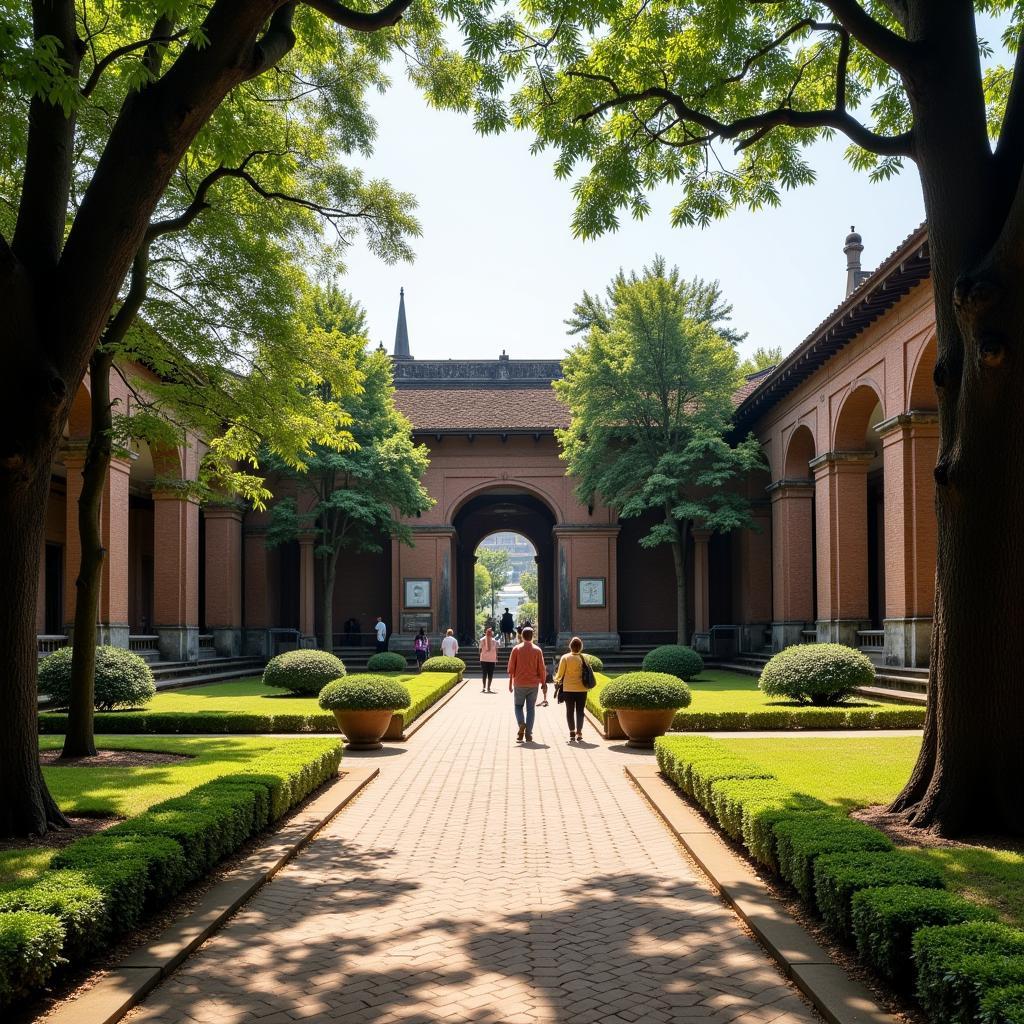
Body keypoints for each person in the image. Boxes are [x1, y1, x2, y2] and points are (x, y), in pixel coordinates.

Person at [507, 626, 547, 743]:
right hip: (533, 684)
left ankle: (521, 724)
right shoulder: (537, 650)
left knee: (518, 706)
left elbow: (511, 668)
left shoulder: (516, 649)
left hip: (519, 683)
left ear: (522, 636)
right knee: (531, 709)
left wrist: (510, 683)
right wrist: (543, 683)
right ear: (532, 636)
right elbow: (542, 668)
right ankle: (528, 734)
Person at [555, 636, 590, 742]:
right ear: (581, 647)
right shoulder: (585, 658)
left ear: (570, 646)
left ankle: (572, 732)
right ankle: (579, 732)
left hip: (568, 689)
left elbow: (560, 674)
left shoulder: (565, 658)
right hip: (582, 689)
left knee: (569, 711)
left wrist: (555, 680)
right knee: (580, 711)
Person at [479, 626, 498, 693]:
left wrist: (481, 656)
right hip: (491, 659)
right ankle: (488, 688)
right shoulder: (494, 641)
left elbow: (480, 650)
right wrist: (496, 657)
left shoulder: (482, 640)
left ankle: (484, 687)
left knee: (485, 674)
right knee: (490, 674)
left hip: (484, 659)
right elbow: (496, 650)